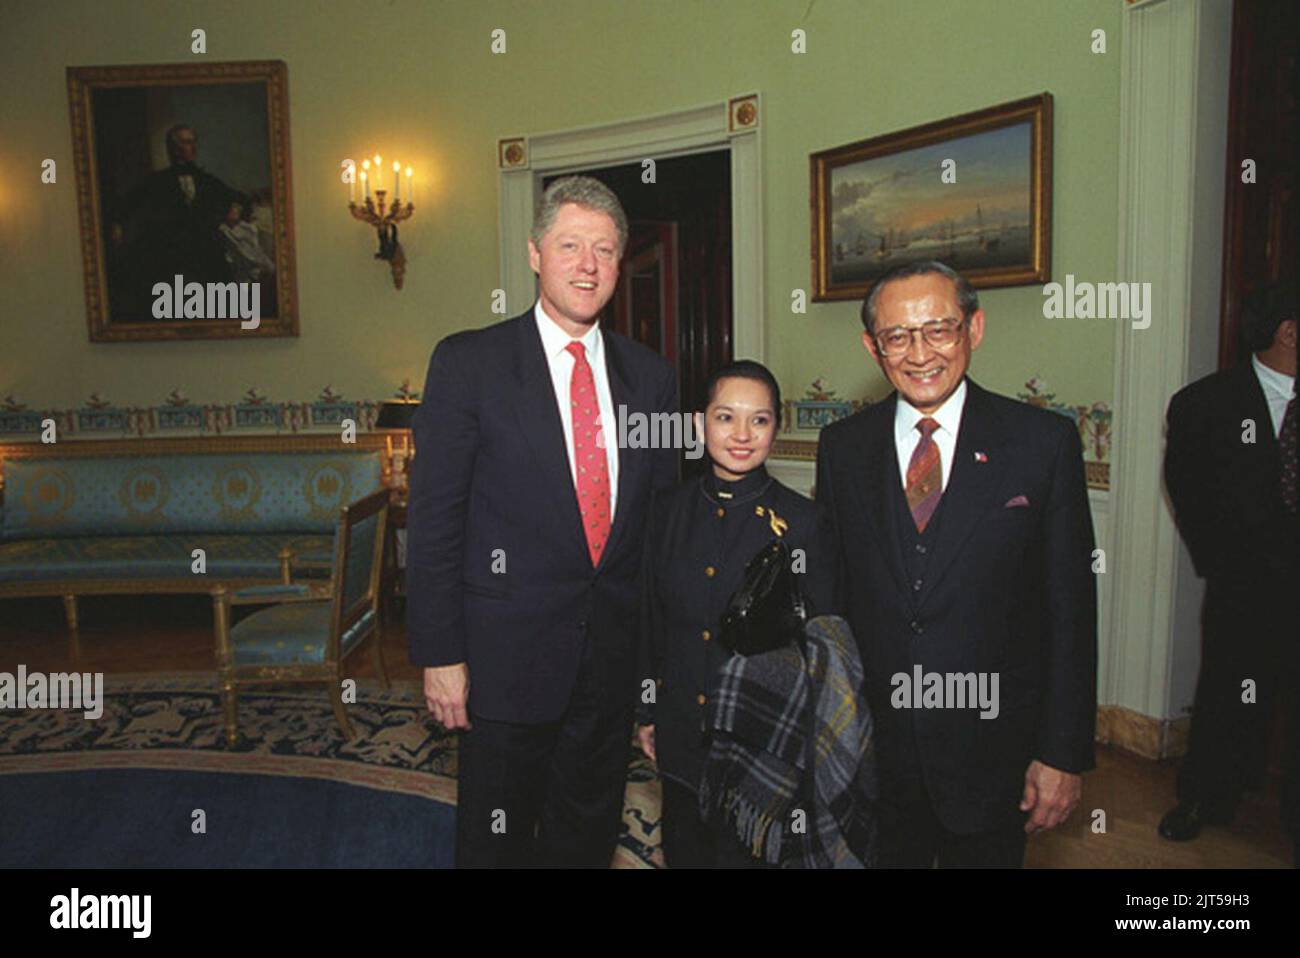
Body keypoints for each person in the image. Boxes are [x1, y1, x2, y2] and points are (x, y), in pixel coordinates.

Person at [406, 176, 677, 867]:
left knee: (584, 839)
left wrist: (655, 677)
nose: (588, 265)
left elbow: (656, 537)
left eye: (606, 251)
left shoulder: (652, 380)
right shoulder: (470, 364)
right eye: (571, 245)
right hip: (502, 666)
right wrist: (441, 655)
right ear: (534, 254)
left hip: (609, 669)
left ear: (620, 265)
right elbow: (435, 521)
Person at [815, 260, 1097, 868]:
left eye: (939, 329)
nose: (920, 353)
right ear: (873, 346)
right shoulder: (843, 449)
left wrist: (1062, 752)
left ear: (975, 328)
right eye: (897, 336)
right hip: (878, 754)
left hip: (992, 750)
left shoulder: (1042, 443)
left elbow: (1070, 609)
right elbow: (832, 599)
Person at [636, 360, 837, 867]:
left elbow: (819, 645)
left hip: (761, 741)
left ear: (777, 426)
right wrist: (646, 712)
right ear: (702, 423)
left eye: (760, 420)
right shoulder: (666, 511)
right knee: (685, 850)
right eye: (726, 417)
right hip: (682, 730)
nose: (742, 435)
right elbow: (649, 620)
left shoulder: (804, 523)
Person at [1160, 280, 1297, 853]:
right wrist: (1223, 561)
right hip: (1245, 583)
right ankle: (1205, 797)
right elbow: (1186, 488)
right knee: (1228, 690)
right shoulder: (1205, 404)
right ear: (1288, 331)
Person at [109, 124, 240, 317]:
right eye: (187, 142)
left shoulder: (206, 179)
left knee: (221, 296)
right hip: (170, 250)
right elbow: (127, 203)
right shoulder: (157, 181)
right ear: (174, 147)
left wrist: (235, 208)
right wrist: (117, 225)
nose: (192, 147)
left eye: (193, 142)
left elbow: (236, 197)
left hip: (205, 248)